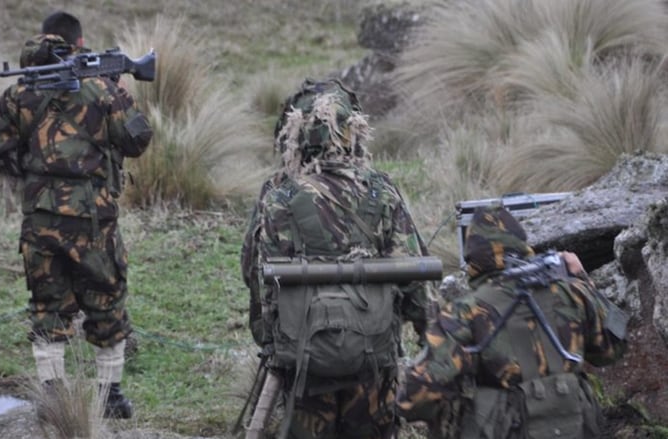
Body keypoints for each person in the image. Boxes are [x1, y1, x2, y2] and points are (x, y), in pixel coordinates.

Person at [0, 11, 152, 419]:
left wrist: (25, 171)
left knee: (48, 307)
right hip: (93, 222)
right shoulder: (103, 90)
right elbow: (139, 140)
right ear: (79, 44)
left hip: (40, 219)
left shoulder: (21, 91)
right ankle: (110, 396)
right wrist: (118, 91)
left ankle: (53, 396)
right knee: (106, 302)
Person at [240, 78, 431, 439]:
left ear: (295, 133)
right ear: (352, 131)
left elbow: (256, 273)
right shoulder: (381, 191)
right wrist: (424, 334)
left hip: (304, 361)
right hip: (373, 357)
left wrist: (270, 343)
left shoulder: (278, 196)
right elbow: (412, 275)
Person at [396, 205, 628, 438]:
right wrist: (583, 279)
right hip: (577, 428)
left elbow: (413, 397)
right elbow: (612, 350)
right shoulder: (573, 293)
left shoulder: (465, 312)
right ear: (523, 245)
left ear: (473, 260)